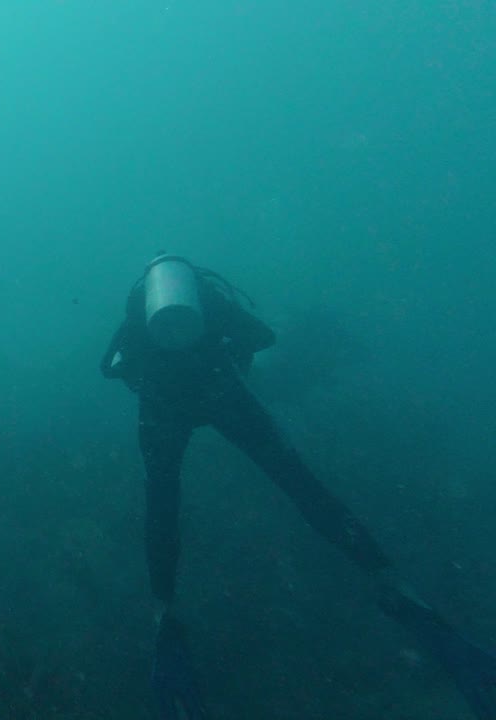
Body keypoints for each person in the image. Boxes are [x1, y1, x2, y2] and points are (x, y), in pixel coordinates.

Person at [100, 254, 496, 719]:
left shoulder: (138, 310)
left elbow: (111, 366)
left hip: (164, 408)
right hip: (223, 393)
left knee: (162, 503)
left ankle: (164, 611)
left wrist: (152, 368)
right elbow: (263, 336)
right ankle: (387, 579)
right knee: (300, 483)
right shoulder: (207, 298)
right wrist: (224, 349)